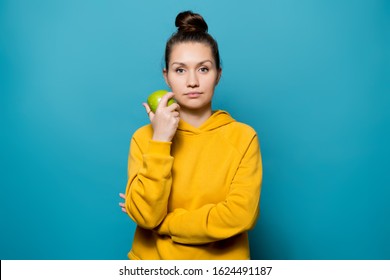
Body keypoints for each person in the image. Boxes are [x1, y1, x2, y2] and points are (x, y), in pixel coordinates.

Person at [119, 10, 262, 260]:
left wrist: (165, 225)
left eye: (204, 69)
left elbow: (240, 215)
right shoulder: (145, 139)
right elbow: (145, 216)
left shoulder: (243, 137)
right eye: (180, 70)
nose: (192, 81)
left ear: (218, 74)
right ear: (167, 76)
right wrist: (161, 141)